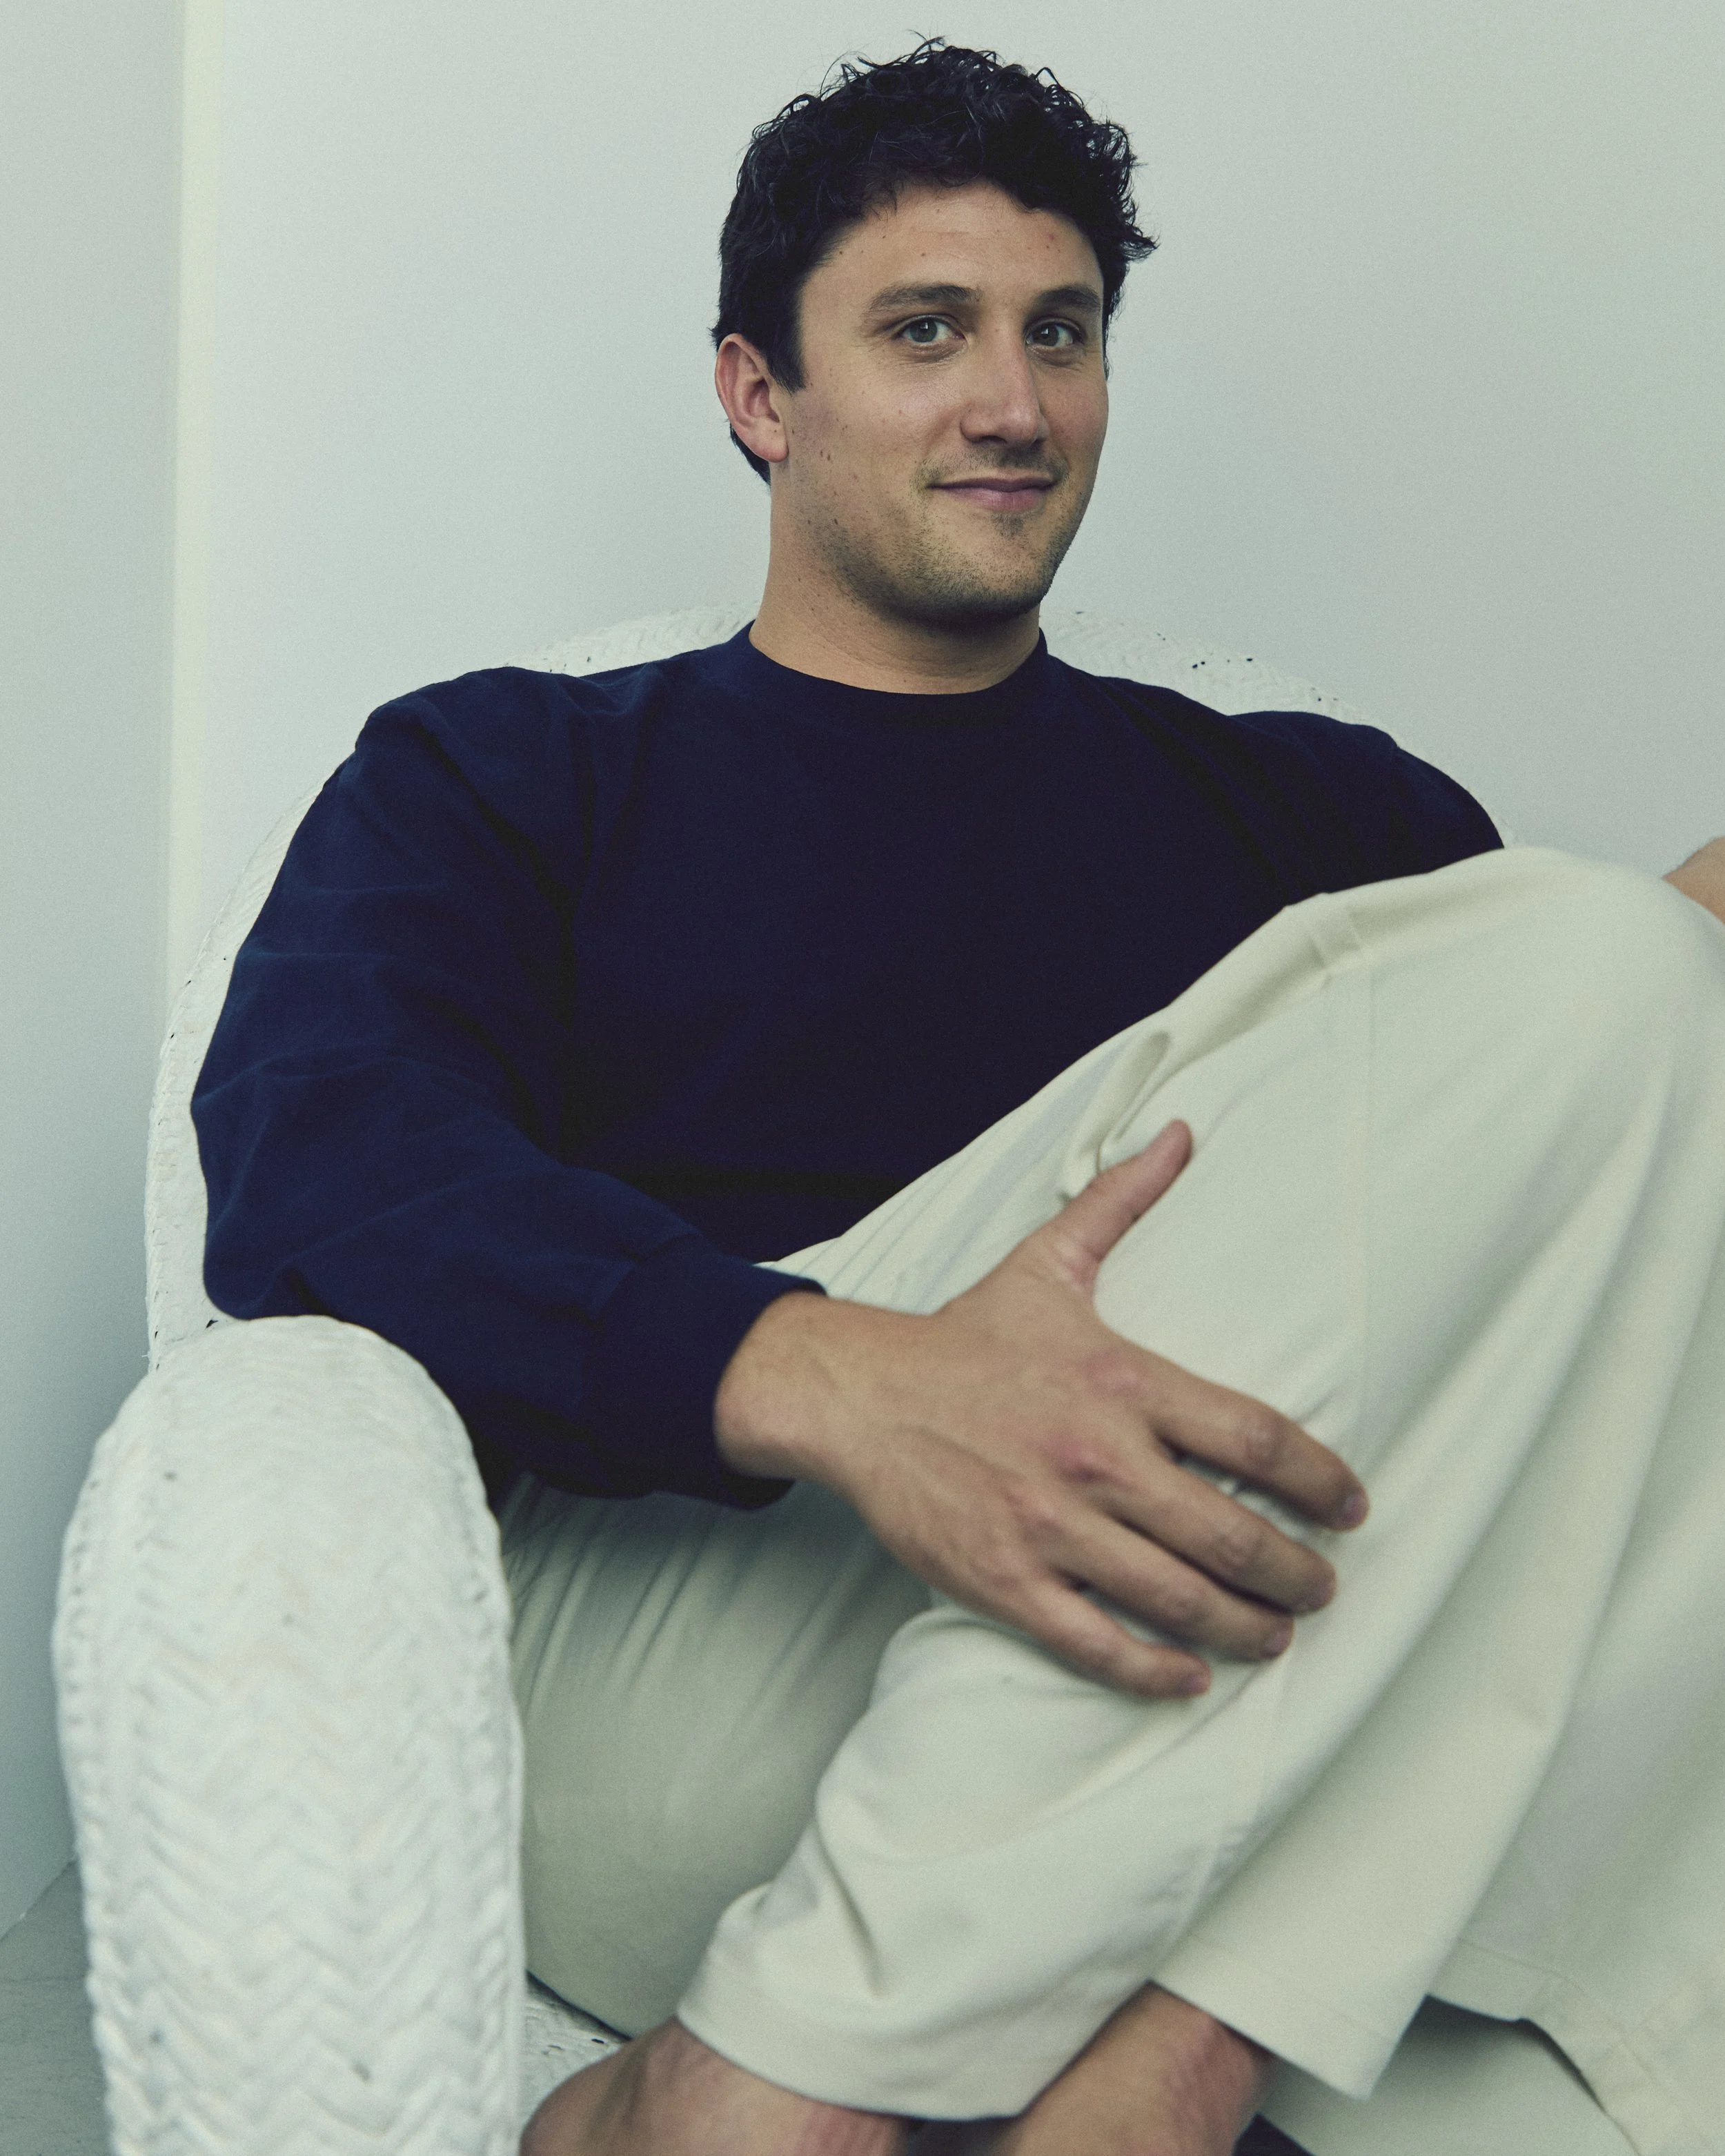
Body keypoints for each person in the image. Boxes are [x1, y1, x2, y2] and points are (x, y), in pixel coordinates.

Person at [190, 39, 1725, 2156]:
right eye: (925, 332)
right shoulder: (507, 772)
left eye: (1060, 333)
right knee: (1596, 970)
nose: (1012, 400)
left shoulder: (1305, 807)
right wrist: (846, 1380)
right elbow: (318, 1157)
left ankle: (1132, 2061)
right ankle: (817, 2067)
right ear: (758, 394)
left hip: (1182, 1647)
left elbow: (1603, 1140)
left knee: (1644, 1034)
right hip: (715, 1632)